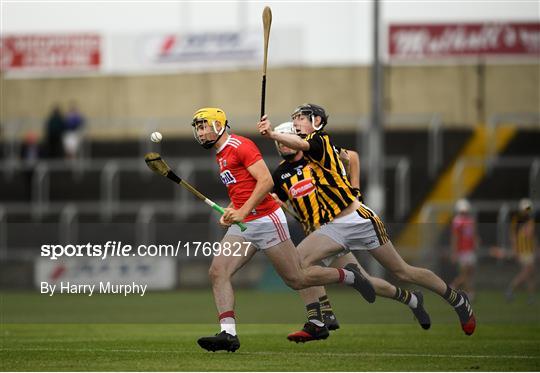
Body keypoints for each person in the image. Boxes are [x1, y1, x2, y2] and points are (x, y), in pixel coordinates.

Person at [258, 103, 476, 336]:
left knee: (403, 271)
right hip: (332, 227)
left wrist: (271, 133)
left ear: (317, 122)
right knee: (297, 264)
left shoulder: (319, 141)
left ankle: (457, 299)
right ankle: (319, 321)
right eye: (295, 118)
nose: (296, 122)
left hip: (359, 220)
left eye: (301, 117)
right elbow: (346, 156)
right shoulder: (300, 158)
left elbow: (318, 148)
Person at [190, 107, 376, 352]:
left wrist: (243, 211)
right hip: (245, 225)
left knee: (297, 279)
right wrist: (232, 210)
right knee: (218, 271)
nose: (201, 133)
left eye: (204, 126)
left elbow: (266, 181)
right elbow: (243, 189)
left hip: (267, 221)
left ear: (218, 125)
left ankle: (351, 276)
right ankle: (228, 334)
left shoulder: (240, 146)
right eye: (198, 128)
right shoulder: (221, 154)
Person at [271, 122, 431, 341]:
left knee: (365, 282)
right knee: (303, 269)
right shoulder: (280, 174)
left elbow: (352, 157)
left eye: (286, 139)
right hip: (316, 235)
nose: (284, 145)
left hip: (336, 227)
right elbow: (285, 204)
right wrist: (277, 204)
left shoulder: (316, 155)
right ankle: (324, 316)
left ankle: (410, 299)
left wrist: (354, 191)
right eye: (279, 142)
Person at [506, 198, 536, 304]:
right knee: (528, 271)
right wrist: (516, 250)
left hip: (529, 250)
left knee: (530, 275)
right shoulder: (518, 220)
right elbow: (514, 236)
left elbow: (532, 237)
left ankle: (531, 297)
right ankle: (511, 288)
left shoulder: (530, 220)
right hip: (523, 250)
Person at [450, 199, 478, 301]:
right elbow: (455, 237)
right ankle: (469, 293)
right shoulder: (457, 221)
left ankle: (452, 287)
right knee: (465, 272)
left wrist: (476, 241)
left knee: (469, 272)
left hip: (469, 250)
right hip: (462, 250)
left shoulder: (470, 220)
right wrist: (454, 252)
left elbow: (473, 233)